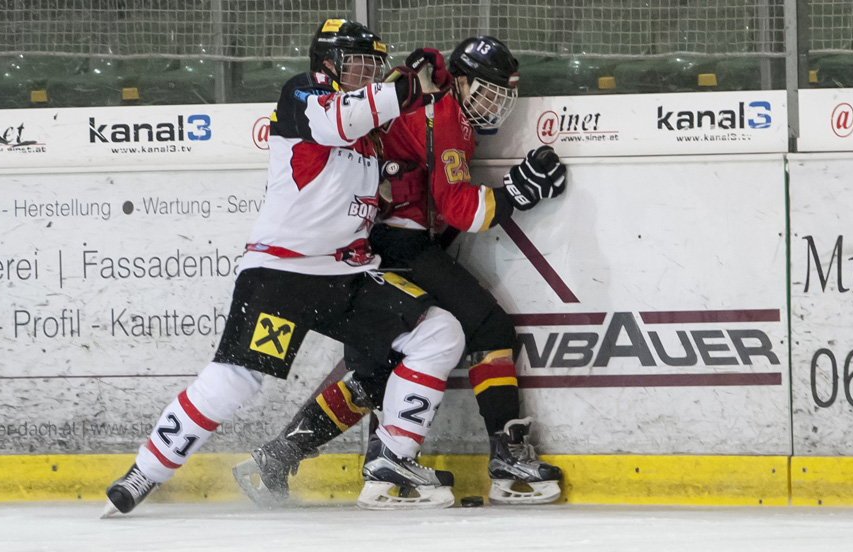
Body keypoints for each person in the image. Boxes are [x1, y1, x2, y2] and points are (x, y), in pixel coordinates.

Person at [102, 18, 464, 517]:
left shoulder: (370, 134)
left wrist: (433, 93)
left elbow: (373, 144)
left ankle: (393, 463)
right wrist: (407, 85)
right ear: (326, 64)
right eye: (357, 64)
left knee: (439, 333)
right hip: (282, 275)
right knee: (237, 378)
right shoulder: (301, 94)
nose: (366, 74)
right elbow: (341, 120)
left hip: (346, 276)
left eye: (372, 66)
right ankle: (145, 471)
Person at [233, 36, 567, 509]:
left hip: (370, 241)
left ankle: (283, 453)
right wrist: (514, 194)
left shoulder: (435, 104)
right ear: (461, 82)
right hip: (393, 242)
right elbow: (459, 209)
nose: (494, 106)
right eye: (487, 93)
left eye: (502, 96)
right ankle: (505, 456)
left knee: (376, 371)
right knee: (488, 326)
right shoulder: (445, 113)